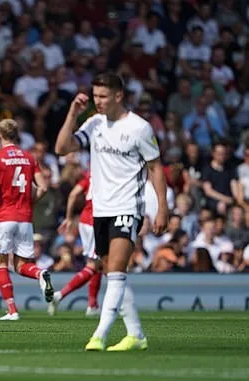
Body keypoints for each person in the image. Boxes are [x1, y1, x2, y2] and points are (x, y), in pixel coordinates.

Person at [55, 72, 168, 351]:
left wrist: (163, 208)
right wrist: (73, 114)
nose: (98, 101)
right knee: (111, 273)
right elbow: (61, 148)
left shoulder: (139, 128)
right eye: (95, 96)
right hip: (100, 209)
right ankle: (136, 335)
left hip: (127, 207)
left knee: (115, 271)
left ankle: (99, 335)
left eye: (103, 96)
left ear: (119, 96)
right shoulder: (94, 124)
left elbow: (156, 168)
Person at [0, 119, 52, 321]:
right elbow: (44, 187)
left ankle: (12, 310)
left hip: (3, 215)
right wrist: (31, 203)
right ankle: (40, 273)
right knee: (21, 265)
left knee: (1, 263)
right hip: (25, 217)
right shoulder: (30, 157)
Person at [48, 171, 102, 317]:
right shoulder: (111, 173)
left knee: (98, 263)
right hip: (97, 221)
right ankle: (60, 295)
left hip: (85, 221)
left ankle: (92, 305)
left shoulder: (91, 175)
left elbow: (73, 194)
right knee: (94, 264)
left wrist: (69, 217)